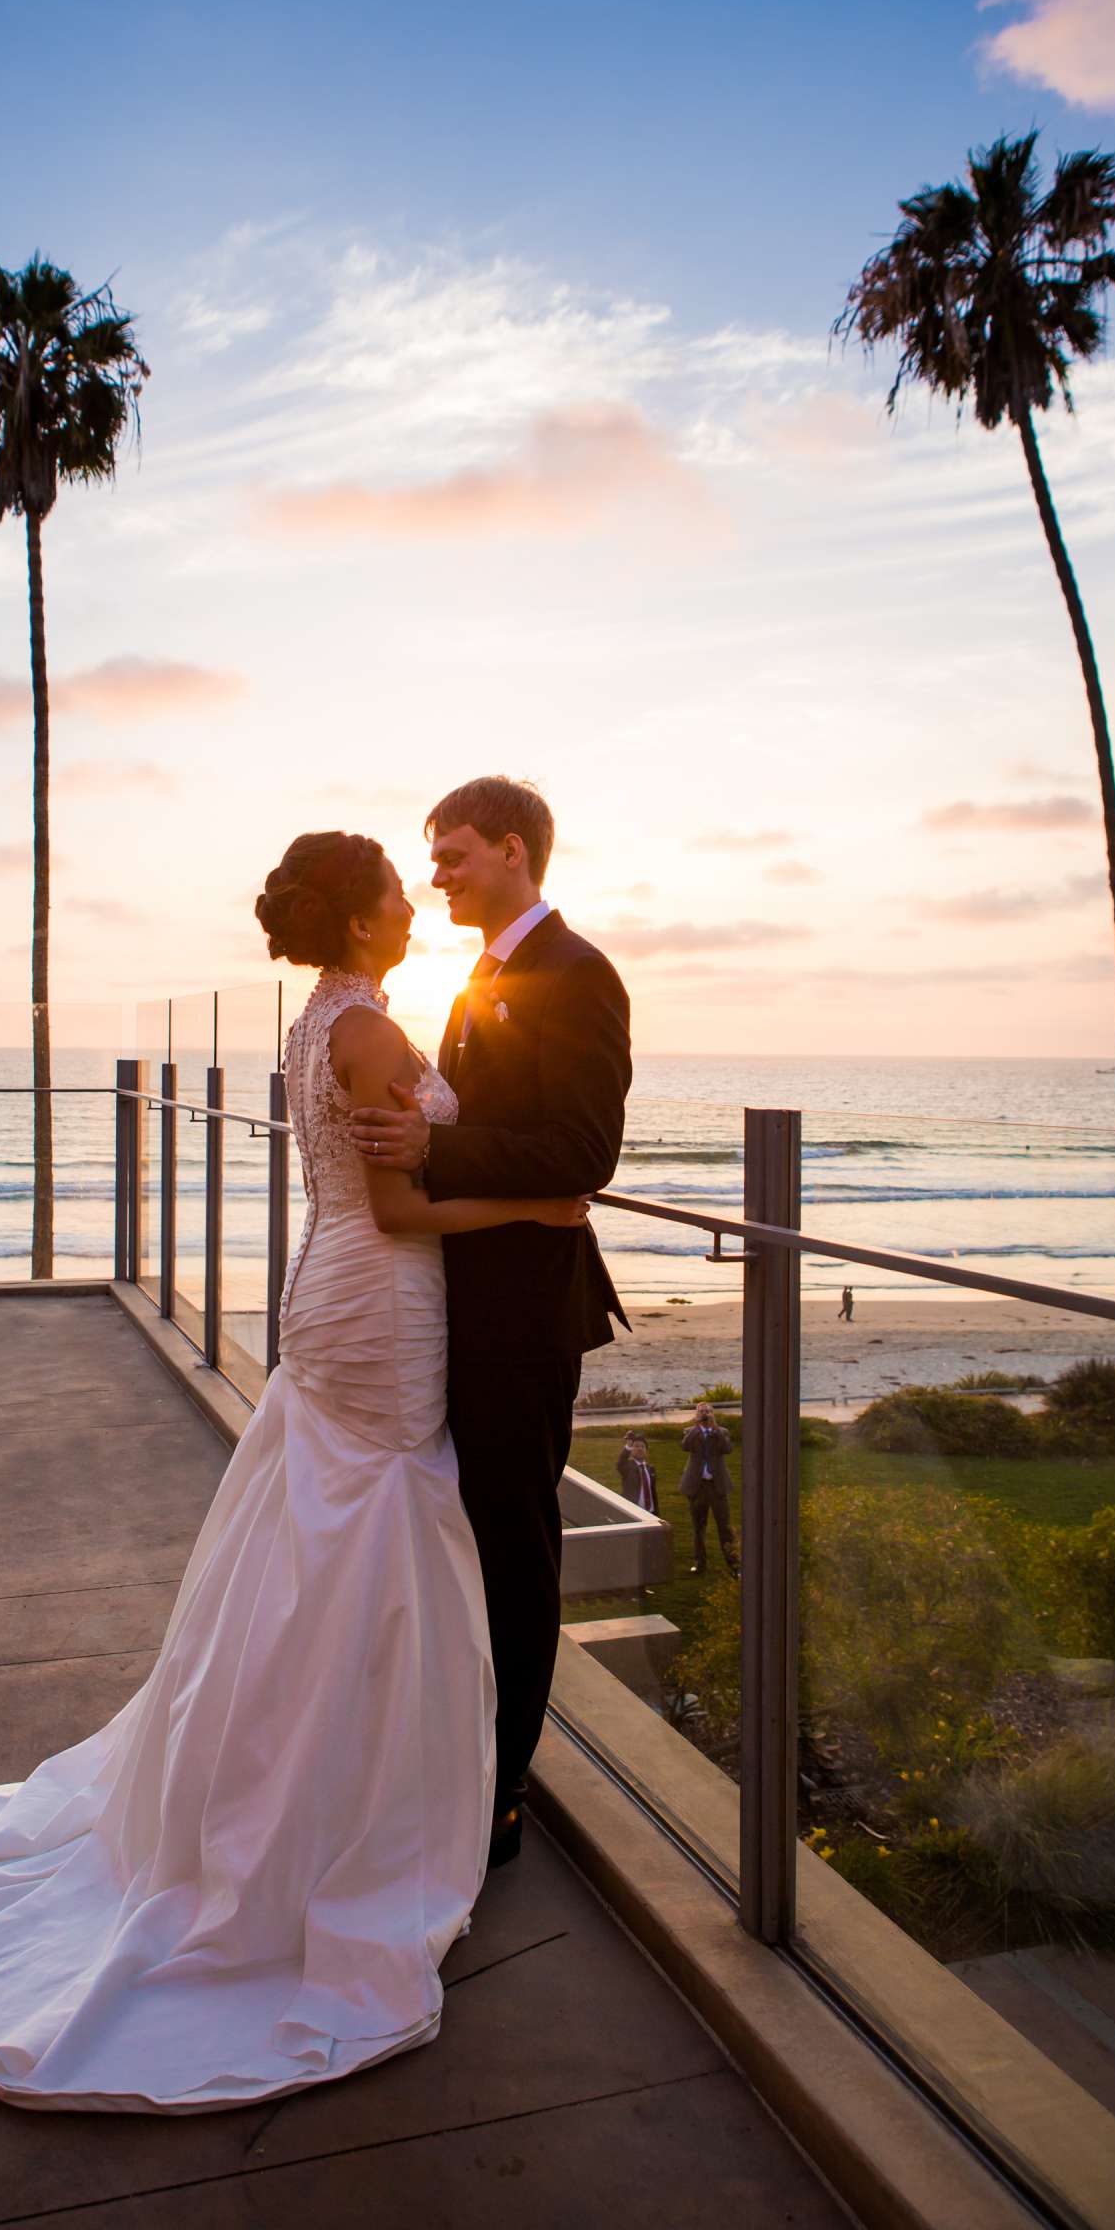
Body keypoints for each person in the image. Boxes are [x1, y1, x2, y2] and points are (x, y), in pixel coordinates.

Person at [0, 830, 590, 2114]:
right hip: (380, 1304)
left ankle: (295, 1798)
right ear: (361, 923)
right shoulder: (367, 1034)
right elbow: (403, 1212)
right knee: (372, 1549)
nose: (412, 908)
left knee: (322, 1548)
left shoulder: (320, 1019)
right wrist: (539, 1210)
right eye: (394, 893)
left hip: (339, 1299)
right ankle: (334, 1826)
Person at [351, 776, 632, 1869]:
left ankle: (503, 1790)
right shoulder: (484, 974)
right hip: (463, 1301)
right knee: (462, 1540)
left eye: (455, 855)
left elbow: (582, 1154)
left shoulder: (577, 973)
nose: (438, 877)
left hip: (524, 1312)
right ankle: (457, 1751)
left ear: (513, 852)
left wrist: (436, 1153)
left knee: (514, 1548)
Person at [680, 1400, 739, 1578]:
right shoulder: (690, 1432)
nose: (704, 1414)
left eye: (707, 1411)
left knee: (725, 1527)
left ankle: (734, 1565)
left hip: (717, 1486)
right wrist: (698, 1426)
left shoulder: (722, 1432)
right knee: (698, 1527)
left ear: (713, 1413)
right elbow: (685, 1446)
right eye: (701, 1411)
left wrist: (714, 1429)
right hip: (697, 1487)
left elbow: (727, 1449)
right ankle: (699, 1563)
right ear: (696, 1414)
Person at [617, 1427, 658, 1514]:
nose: (639, 1449)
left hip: (651, 1511)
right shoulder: (627, 1467)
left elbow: (653, 1493)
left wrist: (656, 1512)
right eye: (636, 1446)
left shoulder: (650, 1469)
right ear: (631, 1450)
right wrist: (628, 1446)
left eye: (642, 1446)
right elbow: (621, 1462)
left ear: (646, 1451)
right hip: (635, 1511)